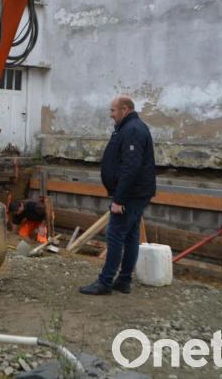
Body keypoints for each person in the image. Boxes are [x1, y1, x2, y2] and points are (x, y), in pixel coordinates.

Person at [80, 95, 156, 295]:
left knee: (115, 235)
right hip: (136, 192)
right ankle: (123, 280)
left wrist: (119, 199)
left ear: (125, 109)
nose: (111, 115)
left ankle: (105, 282)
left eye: (113, 110)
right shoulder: (129, 128)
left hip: (130, 194)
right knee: (130, 236)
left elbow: (131, 167)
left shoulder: (132, 130)